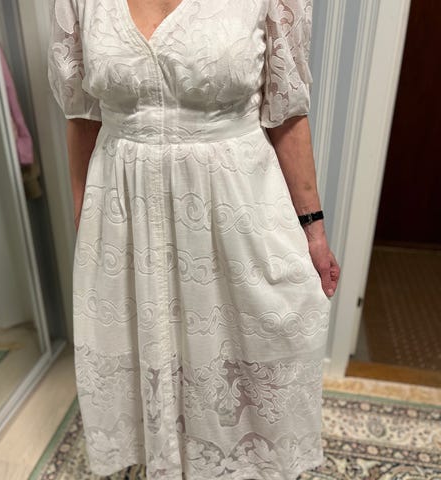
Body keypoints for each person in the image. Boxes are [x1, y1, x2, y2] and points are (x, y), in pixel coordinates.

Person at [47, 0, 341, 478]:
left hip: (237, 215)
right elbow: (80, 112)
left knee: (247, 375)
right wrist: (85, 214)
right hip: (126, 216)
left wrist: (315, 231)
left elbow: (287, 112)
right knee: (149, 370)